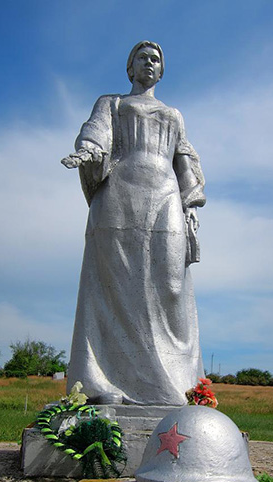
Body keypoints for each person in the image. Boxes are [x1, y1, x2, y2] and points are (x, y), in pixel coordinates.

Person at [62, 41, 206, 405]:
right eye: (141, 58)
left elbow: (184, 159)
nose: (148, 63)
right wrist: (89, 151)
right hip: (119, 195)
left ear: (161, 70)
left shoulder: (173, 114)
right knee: (114, 284)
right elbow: (95, 136)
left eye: (155, 59)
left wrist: (190, 204)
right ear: (130, 68)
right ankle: (102, 383)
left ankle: (179, 384)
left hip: (165, 196)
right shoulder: (112, 103)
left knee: (170, 284)